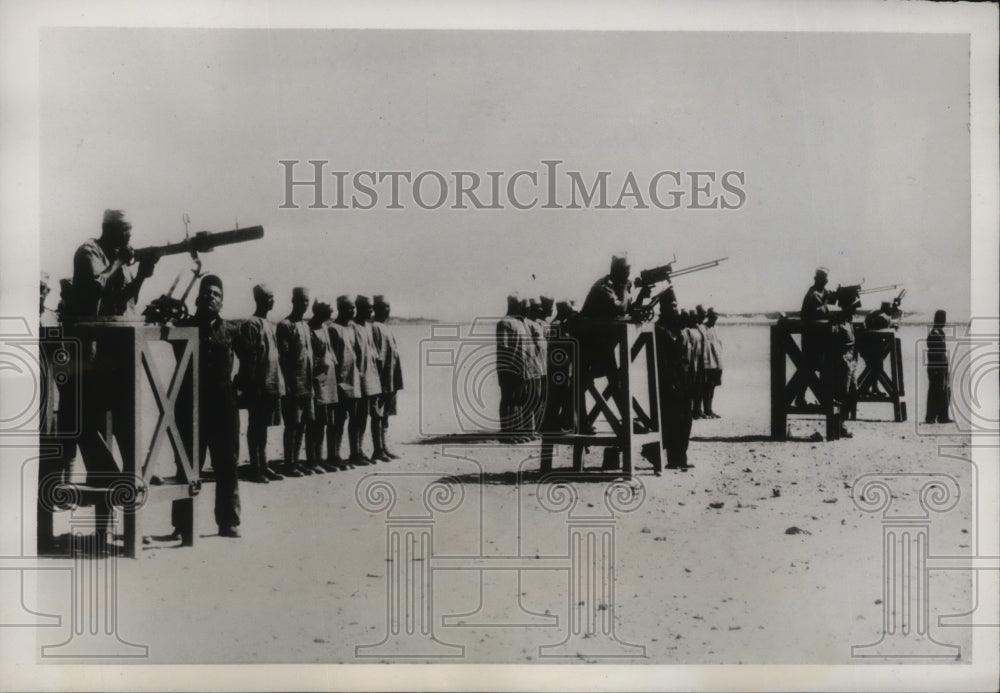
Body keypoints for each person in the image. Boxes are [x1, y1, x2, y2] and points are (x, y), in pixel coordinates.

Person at [66, 209, 160, 546]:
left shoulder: (115, 257)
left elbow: (122, 303)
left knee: (126, 434)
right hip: (90, 358)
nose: (129, 240)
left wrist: (142, 276)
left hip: (116, 357)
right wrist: (121, 263)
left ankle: (131, 524)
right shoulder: (88, 252)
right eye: (124, 233)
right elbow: (94, 292)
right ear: (108, 230)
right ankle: (106, 524)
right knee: (92, 434)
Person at [178, 275, 242, 538]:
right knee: (187, 464)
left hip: (223, 406)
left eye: (216, 294)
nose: (211, 297)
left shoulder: (231, 330)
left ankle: (228, 522)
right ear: (197, 297)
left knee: (227, 464)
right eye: (206, 293)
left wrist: (237, 388)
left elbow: (251, 363)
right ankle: (182, 525)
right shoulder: (183, 327)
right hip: (189, 405)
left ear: (222, 301)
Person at [234, 284, 286, 483]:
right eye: (268, 297)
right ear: (259, 300)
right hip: (258, 385)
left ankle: (264, 465)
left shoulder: (268, 323)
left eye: (273, 297)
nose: (272, 301)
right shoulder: (251, 324)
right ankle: (255, 467)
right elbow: (249, 358)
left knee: (263, 426)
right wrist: (250, 384)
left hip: (271, 384)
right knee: (255, 426)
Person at [276, 287, 315, 477]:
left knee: (302, 425)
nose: (304, 304)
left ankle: (297, 461)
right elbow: (283, 358)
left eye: (307, 301)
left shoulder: (305, 326)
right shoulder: (285, 325)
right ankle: (289, 463)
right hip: (293, 385)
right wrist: (288, 385)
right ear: (293, 301)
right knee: (292, 424)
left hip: (307, 385)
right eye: (301, 301)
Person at [654, 288, 693, 472]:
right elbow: (661, 360)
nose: (675, 309)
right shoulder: (660, 329)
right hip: (668, 381)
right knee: (671, 419)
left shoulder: (678, 328)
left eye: (676, 305)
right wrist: (669, 380)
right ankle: (672, 458)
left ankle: (682, 457)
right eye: (671, 306)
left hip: (684, 380)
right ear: (663, 308)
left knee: (686, 419)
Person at [328, 295, 365, 467]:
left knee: (356, 418)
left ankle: (355, 453)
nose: (353, 311)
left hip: (354, 380)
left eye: (354, 308)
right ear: (340, 309)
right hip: (341, 382)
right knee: (338, 420)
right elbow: (333, 359)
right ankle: (333, 456)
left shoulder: (351, 328)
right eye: (349, 308)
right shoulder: (333, 329)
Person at [306, 300, 339, 472]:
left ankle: (320, 458)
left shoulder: (325, 327)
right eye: (329, 310)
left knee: (325, 422)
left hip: (329, 380)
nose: (331, 313)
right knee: (315, 423)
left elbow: (330, 351)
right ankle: (312, 460)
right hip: (317, 380)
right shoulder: (309, 329)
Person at [370, 295, 404, 460]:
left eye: (388, 307)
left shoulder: (386, 327)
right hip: (381, 380)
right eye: (384, 307)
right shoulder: (374, 327)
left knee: (386, 416)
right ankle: (378, 449)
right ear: (376, 309)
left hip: (391, 378)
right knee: (377, 414)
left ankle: (384, 446)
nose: (387, 310)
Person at [796, 267, 835, 407]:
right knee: (810, 368)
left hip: (818, 338)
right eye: (824, 279)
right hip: (812, 339)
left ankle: (819, 398)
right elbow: (822, 312)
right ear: (817, 279)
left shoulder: (821, 292)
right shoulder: (813, 294)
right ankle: (803, 398)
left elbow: (830, 298)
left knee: (814, 368)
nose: (826, 281)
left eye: (826, 279)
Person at [353, 295, 383, 462]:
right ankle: (355, 452)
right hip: (359, 379)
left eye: (372, 307)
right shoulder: (353, 327)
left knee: (371, 415)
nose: (371, 310)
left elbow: (374, 354)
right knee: (358, 417)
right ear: (359, 307)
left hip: (372, 379)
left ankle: (367, 451)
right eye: (368, 307)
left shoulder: (369, 327)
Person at [541, 299, 577, 433]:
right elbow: (564, 343)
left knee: (557, 396)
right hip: (558, 366)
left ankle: (553, 424)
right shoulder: (557, 325)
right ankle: (551, 425)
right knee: (557, 396)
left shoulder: (557, 323)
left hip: (558, 365)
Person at [830, 288, 860, 438]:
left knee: (852, 392)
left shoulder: (849, 321)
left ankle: (841, 423)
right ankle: (838, 425)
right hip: (842, 360)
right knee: (842, 393)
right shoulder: (838, 321)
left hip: (851, 359)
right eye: (854, 306)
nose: (856, 309)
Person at [496, 293, 526, 439]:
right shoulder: (504, 323)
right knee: (508, 399)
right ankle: (507, 432)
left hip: (520, 367)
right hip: (508, 368)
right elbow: (504, 347)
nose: (523, 307)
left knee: (518, 399)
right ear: (514, 305)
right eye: (520, 304)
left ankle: (516, 430)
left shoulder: (520, 323)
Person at [523, 297, 548, 438]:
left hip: (543, 366)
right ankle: (529, 429)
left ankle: (538, 427)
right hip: (533, 366)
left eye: (540, 306)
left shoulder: (539, 323)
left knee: (542, 399)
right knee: (533, 398)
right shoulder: (528, 324)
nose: (540, 309)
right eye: (536, 306)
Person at [924, 309, 952, 424]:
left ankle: (942, 416)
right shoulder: (934, 334)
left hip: (941, 366)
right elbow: (933, 353)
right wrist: (937, 369)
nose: (943, 322)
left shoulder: (940, 333)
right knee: (936, 391)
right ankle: (931, 417)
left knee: (943, 391)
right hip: (936, 367)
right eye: (942, 320)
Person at [702, 307, 723, 418]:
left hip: (717, 363)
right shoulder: (704, 328)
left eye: (716, 315)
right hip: (708, 363)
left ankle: (709, 409)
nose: (715, 317)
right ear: (709, 316)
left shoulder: (716, 328)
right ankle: (706, 410)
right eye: (713, 315)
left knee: (713, 386)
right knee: (707, 387)